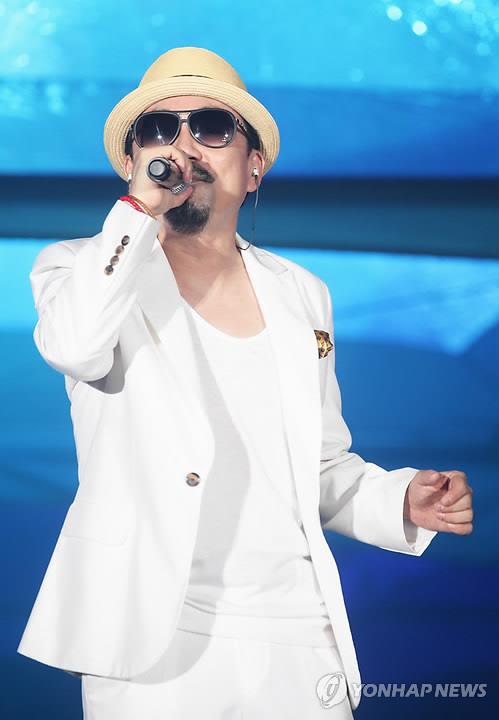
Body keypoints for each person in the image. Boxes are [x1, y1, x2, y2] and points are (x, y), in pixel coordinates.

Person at [17, 47, 473, 719]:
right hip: (153, 640)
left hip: (297, 634)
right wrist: (139, 208)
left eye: (210, 126)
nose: (183, 146)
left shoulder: (302, 294)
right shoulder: (81, 269)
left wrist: (399, 499)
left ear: (253, 165)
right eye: (159, 130)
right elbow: (73, 346)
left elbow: (318, 467)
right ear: (132, 160)